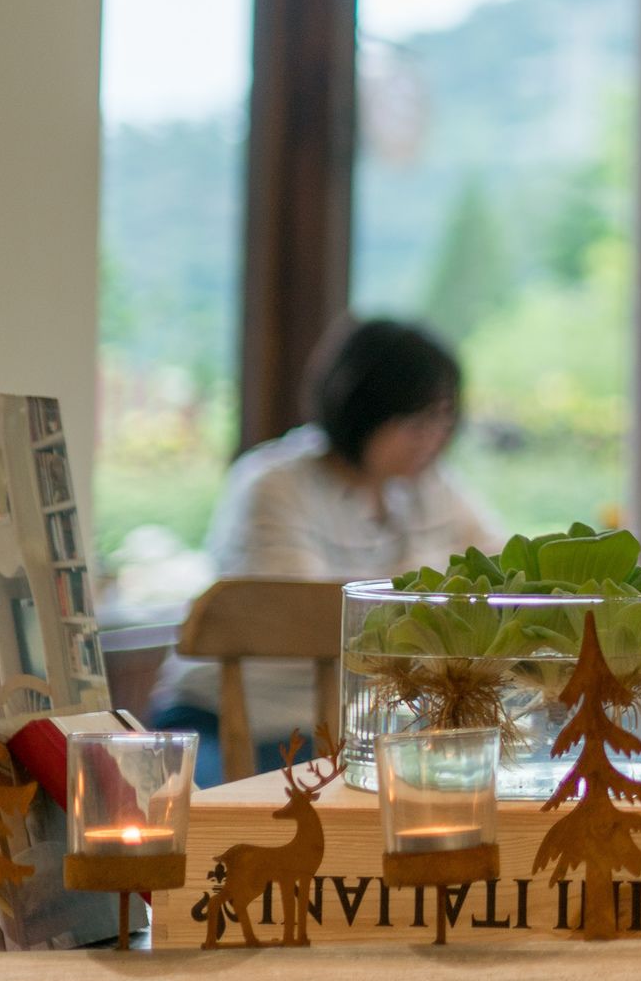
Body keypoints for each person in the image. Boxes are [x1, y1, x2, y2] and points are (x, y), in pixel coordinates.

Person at [152, 318, 503, 779]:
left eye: (443, 418)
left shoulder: (430, 487)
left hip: (351, 730)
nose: (433, 437)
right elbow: (311, 621)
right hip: (234, 725)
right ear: (361, 408)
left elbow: (500, 572)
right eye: (414, 421)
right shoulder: (275, 483)